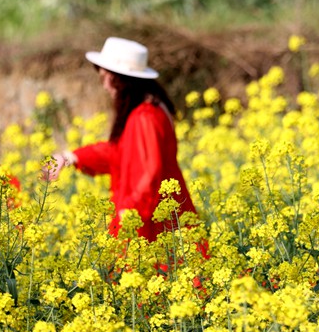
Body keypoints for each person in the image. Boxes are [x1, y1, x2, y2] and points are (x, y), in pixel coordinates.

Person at [44, 37, 201, 247]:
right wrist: (72, 157)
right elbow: (119, 153)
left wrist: (129, 217)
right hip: (155, 216)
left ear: (117, 79)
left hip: (151, 225)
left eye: (105, 79)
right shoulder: (149, 109)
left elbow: (149, 174)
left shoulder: (145, 117)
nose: (106, 88)